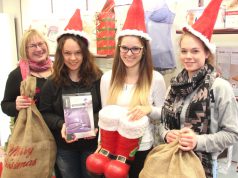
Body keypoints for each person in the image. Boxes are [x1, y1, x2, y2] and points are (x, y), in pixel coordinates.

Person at [86, 0, 166, 178]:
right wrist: (100, 145)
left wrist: (149, 109)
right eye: (125, 48)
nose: (129, 54)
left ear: (144, 50)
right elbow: (105, 115)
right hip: (111, 149)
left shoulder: (156, 79)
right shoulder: (107, 79)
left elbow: (164, 114)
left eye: (135, 49)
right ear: (119, 48)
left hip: (142, 148)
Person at [159, 0, 238, 178]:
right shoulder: (174, 85)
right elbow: (162, 124)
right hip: (173, 164)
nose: (188, 57)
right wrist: (167, 135)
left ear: (207, 53)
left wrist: (198, 141)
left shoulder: (219, 87)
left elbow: (233, 134)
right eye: (184, 51)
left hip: (203, 168)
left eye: (195, 51)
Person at [39, 9, 103, 178]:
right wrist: (61, 124)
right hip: (64, 147)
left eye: (78, 53)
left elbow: (106, 108)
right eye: (67, 53)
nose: (73, 58)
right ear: (61, 54)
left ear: (85, 53)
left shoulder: (97, 78)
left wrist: (93, 122)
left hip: (92, 145)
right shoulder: (52, 83)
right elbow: (44, 113)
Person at [1, 28, 52, 119]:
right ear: (25, 50)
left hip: (60, 129)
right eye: (33, 46)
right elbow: (5, 105)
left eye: (41, 44)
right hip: (33, 130)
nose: (39, 49)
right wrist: (16, 105)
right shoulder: (17, 75)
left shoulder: (58, 69)